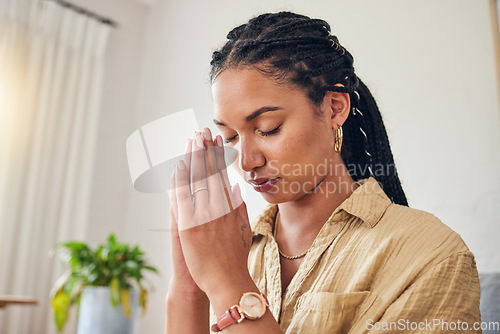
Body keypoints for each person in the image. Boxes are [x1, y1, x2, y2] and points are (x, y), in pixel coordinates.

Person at [165, 12, 481, 334]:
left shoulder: (430, 254)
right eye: (230, 138)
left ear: (334, 109)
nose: (246, 162)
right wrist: (189, 283)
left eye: (268, 129)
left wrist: (227, 282)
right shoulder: (237, 250)